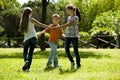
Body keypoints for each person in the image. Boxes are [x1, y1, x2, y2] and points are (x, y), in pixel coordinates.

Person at [19, 7, 48, 71]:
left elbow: (22, 31)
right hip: (33, 38)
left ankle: (26, 61)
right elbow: (40, 24)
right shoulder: (32, 19)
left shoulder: (22, 21)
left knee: (25, 52)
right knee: (30, 53)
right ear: (30, 13)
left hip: (26, 39)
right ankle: (27, 68)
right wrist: (48, 27)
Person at [54, 4, 81, 69]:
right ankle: (72, 62)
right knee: (66, 49)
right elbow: (67, 25)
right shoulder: (68, 17)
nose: (67, 11)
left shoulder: (76, 18)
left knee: (76, 51)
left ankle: (78, 65)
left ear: (72, 10)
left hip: (74, 36)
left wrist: (59, 27)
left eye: (68, 10)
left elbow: (69, 24)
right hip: (68, 36)